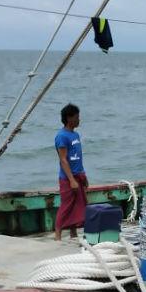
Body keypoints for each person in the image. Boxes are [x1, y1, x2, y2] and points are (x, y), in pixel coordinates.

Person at [54, 103, 87, 241]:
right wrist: (71, 180)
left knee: (79, 204)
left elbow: (78, 157)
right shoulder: (61, 136)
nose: (79, 119)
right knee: (66, 206)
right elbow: (63, 159)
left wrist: (83, 175)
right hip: (68, 178)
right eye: (76, 117)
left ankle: (73, 233)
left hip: (79, 174)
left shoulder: (76, 135)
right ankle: (58, 234)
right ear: (69, 118)